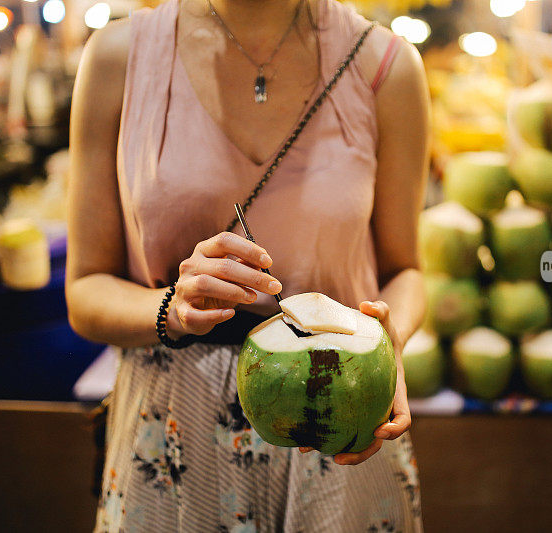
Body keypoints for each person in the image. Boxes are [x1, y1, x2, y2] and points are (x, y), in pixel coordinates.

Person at [65, 0, 429, 529]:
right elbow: (84, 289)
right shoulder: (118, 58)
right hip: (175, 432)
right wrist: (172, 307)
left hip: (341, 409)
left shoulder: (385, 64)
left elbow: (407, 270)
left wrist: (385, 344)